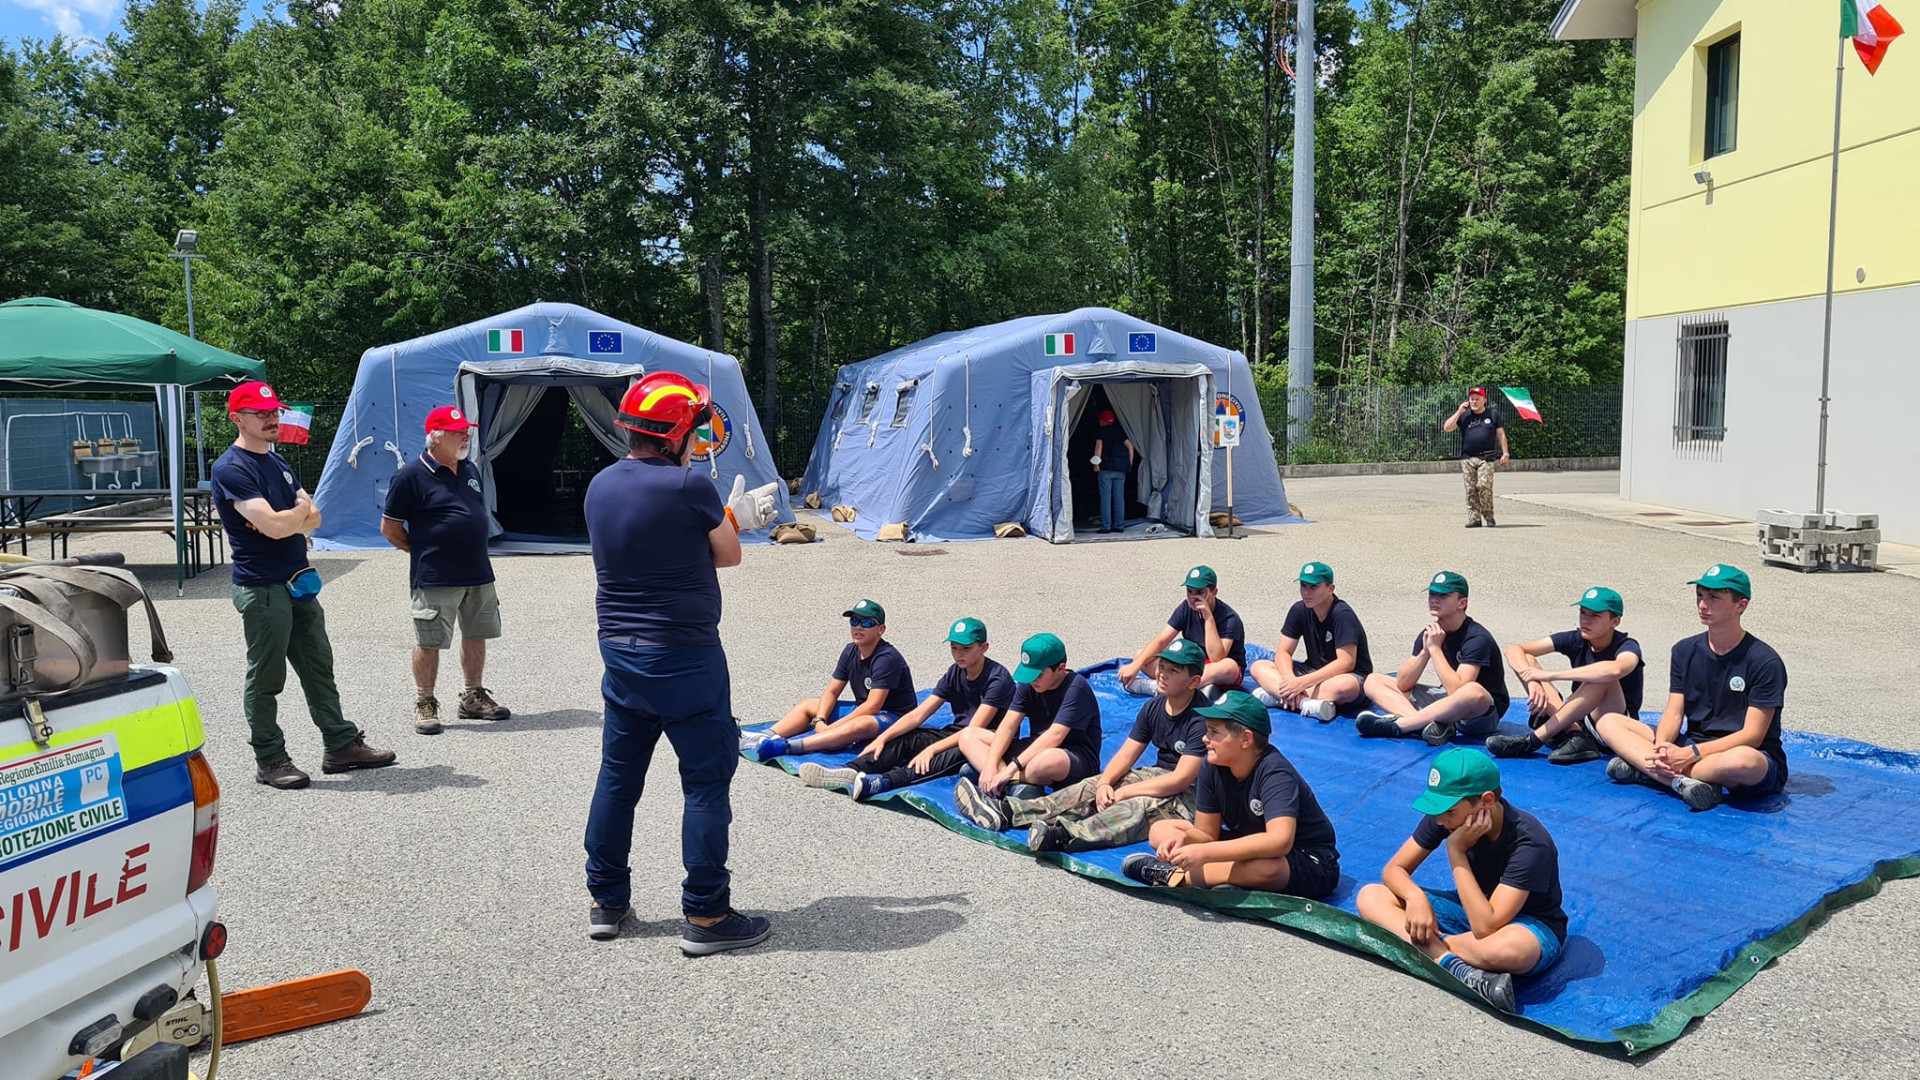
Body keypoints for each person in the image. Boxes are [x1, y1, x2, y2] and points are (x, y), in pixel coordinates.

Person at [581, 370, 781, 951]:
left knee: (618, 780)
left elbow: (646, 544)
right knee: (705, 784)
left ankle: (606, 899)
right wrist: (734, 517)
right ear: (674, 434)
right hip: (685, 656)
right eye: (693, 428)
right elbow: (729, 555)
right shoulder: (689, 488)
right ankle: (708, 916)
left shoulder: (599, 486)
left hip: (621, 654)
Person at [210, 380, 395, 790]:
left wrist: (291, 518)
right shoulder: (231, 468)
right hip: (262, 588)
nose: (272, 419)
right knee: (267, 677)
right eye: (261, 414)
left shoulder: (277, 463)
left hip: (297, 581)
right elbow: (278, 526)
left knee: (318, 668)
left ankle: (340, 744)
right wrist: (294, 517)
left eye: (274, 412)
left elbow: (316, 517)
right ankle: (270, 758)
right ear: (237, 418)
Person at [1356, 749, 1566, 1014]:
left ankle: (1423, 945)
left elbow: (1486, 927)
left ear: (1486, 801)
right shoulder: (1449, 817)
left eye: (1448, 811)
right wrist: (1414, 897)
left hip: (1528, 923)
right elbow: (1394, 869)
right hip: (1471, 910)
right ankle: (1452, 964)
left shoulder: (1530, 841)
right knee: (1371, 895)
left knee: (1510, 950)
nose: (1441, 821)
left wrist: (1456, 852)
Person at [954, 638, 1207, 854]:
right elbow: (1127, 754)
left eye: (1173, 671)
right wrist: (1106, 782)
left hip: (1192, 796)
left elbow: (1181, 780)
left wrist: (1126, 792)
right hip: (1156, 775)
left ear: (1194, 682)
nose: (1162, 673)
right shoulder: (1154, 707)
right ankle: (1009, 811)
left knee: (1135, 807)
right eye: (1162, 666)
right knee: (1090, 788)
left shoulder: (1202, 718)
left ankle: (1063, 836)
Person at [1594, 564, 1787, 812]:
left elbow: (1752, 735)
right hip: (1691, 745)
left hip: (1743, 753)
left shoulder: (1764, 660)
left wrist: (1690, 754)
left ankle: (1651, 772)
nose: (1703, 605)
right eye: (1700, 596)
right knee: (1609, 722)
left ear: (1741, 606)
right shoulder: (1684, 650)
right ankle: (1680, 780)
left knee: (1743, 762)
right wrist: (1662, 747)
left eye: (1714, 598)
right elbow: (1674, 712)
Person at [1120, 691, 1340, 897]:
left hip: (1306, 859)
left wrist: (1205, 854)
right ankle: (1229, 881)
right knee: (1162, 829)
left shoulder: (1275, 772)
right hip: (1249, 842)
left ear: (1246, 739)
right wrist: (1186, 839)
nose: (1205, 739)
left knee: (1267, 868)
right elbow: (1206, 833)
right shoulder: (1212, 764)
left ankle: (1175, 877)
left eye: (1214, 732)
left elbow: (1279, 842)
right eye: (1207, 730)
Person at [380, 405, 510, 735]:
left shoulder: (469, 469)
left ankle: (473, 695)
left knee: (477, 633)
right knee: (430, 641)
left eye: (467, 431)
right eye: (457, 432)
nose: (465, 436)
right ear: (435, 438)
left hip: (478, 571)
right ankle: (425, 702)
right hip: (436, 574)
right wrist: (420, 548)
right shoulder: (410, 476)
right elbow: (390, 528)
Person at [798, 617, 1013, 800]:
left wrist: (931, 749)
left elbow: (972, 730)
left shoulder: (997, 679)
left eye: (966, 648)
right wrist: (883, 738)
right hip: (957, 732)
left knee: (934, 759)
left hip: (984, 741)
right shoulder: (955, 671)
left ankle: (883, 782)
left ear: (984, 647)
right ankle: (851, 769)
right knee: (907, 739)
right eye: (954, 648)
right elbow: (919, 713)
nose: (958, 654)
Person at [741, 599, 917, 762]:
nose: (858, 627)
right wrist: (820, 720)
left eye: (867, 623)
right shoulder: (850, 651)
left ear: (881, 630)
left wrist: (832, 727)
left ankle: (786, 747)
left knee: (860, 724)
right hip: (865, 708)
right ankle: (763, 736)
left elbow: (873, 706)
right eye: (854, 621)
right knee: (807, 704)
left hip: (894, 716)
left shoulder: (886, 658)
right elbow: (832, 691)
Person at [1485, 587, 1642, 764]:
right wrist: (1533, 682)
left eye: (1595, 616)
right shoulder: (1578, 638)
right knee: (1528, 659)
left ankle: (1533, 741)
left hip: (1616, 723)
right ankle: (1576, 735)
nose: (1586, 620)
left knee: (1602, 677)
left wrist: (1550, 675)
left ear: (1615, 622)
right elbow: (1514, 650)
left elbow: (1616, 669)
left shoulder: (1628, 646)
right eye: (1583, 613)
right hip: (1582, 721)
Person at [1357, 571, 1510, 746]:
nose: (1434, 599)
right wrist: (1425, 652)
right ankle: (1421, 726)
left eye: (1443, 596)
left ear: (1462, 603)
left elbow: (1457, 690)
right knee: (1373, 680)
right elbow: (1403, 684)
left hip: (1480, 714)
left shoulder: (1477, 638)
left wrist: (1435, 649)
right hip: (1448, 703)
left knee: (1473, 691)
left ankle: (1401, 725)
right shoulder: (1431, 632)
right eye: (1432, 594)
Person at [956, 633, 1104, 797]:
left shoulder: (1077, 688)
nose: (1033, 681)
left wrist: (1011, 769)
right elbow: (1008, 725)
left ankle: (1001, 781)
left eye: (1038, 675)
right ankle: (1009, 786)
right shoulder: (1030, 684)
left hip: (1070, 756)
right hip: (1034, 748)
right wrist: (991, 763)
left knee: (1044, 761)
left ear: (1060, 668)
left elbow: (1055, 735)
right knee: (968, 736)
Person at [1248, 561, 1373, 721]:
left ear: (1330, 589)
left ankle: (1279, 697)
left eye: (1313, 587)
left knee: (1345, 686)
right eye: (1303, 586)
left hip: (1347, 676)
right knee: (1259, 666)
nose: (1306, 592)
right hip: (1313, 672)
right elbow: (1283, 652)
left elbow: (1346, 663)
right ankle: (1304, 703)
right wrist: (1290, 681)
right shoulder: (1299, 609)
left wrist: (1302, 683)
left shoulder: (1342, 614)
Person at [1116, 565, 1247, 696]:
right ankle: (1196, 688)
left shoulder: (1230, 618)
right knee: (1140, 655)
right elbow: (1161, 641)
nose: (1194, 597)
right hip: (1193, 664)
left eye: (1200, 592)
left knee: (1228, 666)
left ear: (1214, 592)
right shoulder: (1185, 608)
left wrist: (1208, 618)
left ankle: (1161, 688)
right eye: (1190, 591)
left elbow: (1217, 657)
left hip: (1221, 672)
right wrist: (1136, 665)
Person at [1441, 386, 1509, 528]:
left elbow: (1501, 434)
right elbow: (1447, 428)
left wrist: (1505, 453)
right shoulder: (1465, 416)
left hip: (1486, 458)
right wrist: (1459, 411)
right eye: (1472, 399)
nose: (1474, 401)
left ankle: (1488, 515)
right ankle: (1474, 519)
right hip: (1467, 458)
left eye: (1477, 399)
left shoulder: (1493, 414)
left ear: (1484, 400)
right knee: (1471, 489)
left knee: (1484, 486)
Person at [1091, 408, 1134, 534]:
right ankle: (1119, 525)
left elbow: (1099, 447)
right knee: (1119, 497)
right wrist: (1129, 464)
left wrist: (1096, 463)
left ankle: (1106, 526)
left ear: (1103, 421)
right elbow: (1130, 446)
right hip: (1121, 470)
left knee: (1105, 497)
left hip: (1106, 469)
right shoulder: (1119, 432)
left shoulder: (1101, 432)